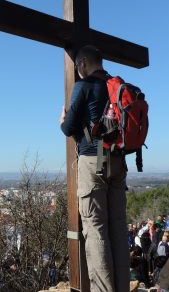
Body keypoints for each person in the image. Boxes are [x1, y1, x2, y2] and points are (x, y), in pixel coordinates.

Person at [60, 45, 128, 291]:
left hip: (95, 157)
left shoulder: (84, 85)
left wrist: (62, 121)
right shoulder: (116, 86)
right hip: (118, 159)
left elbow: (68, 128)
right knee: (118, 225)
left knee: (96, 227)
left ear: (83, 63)